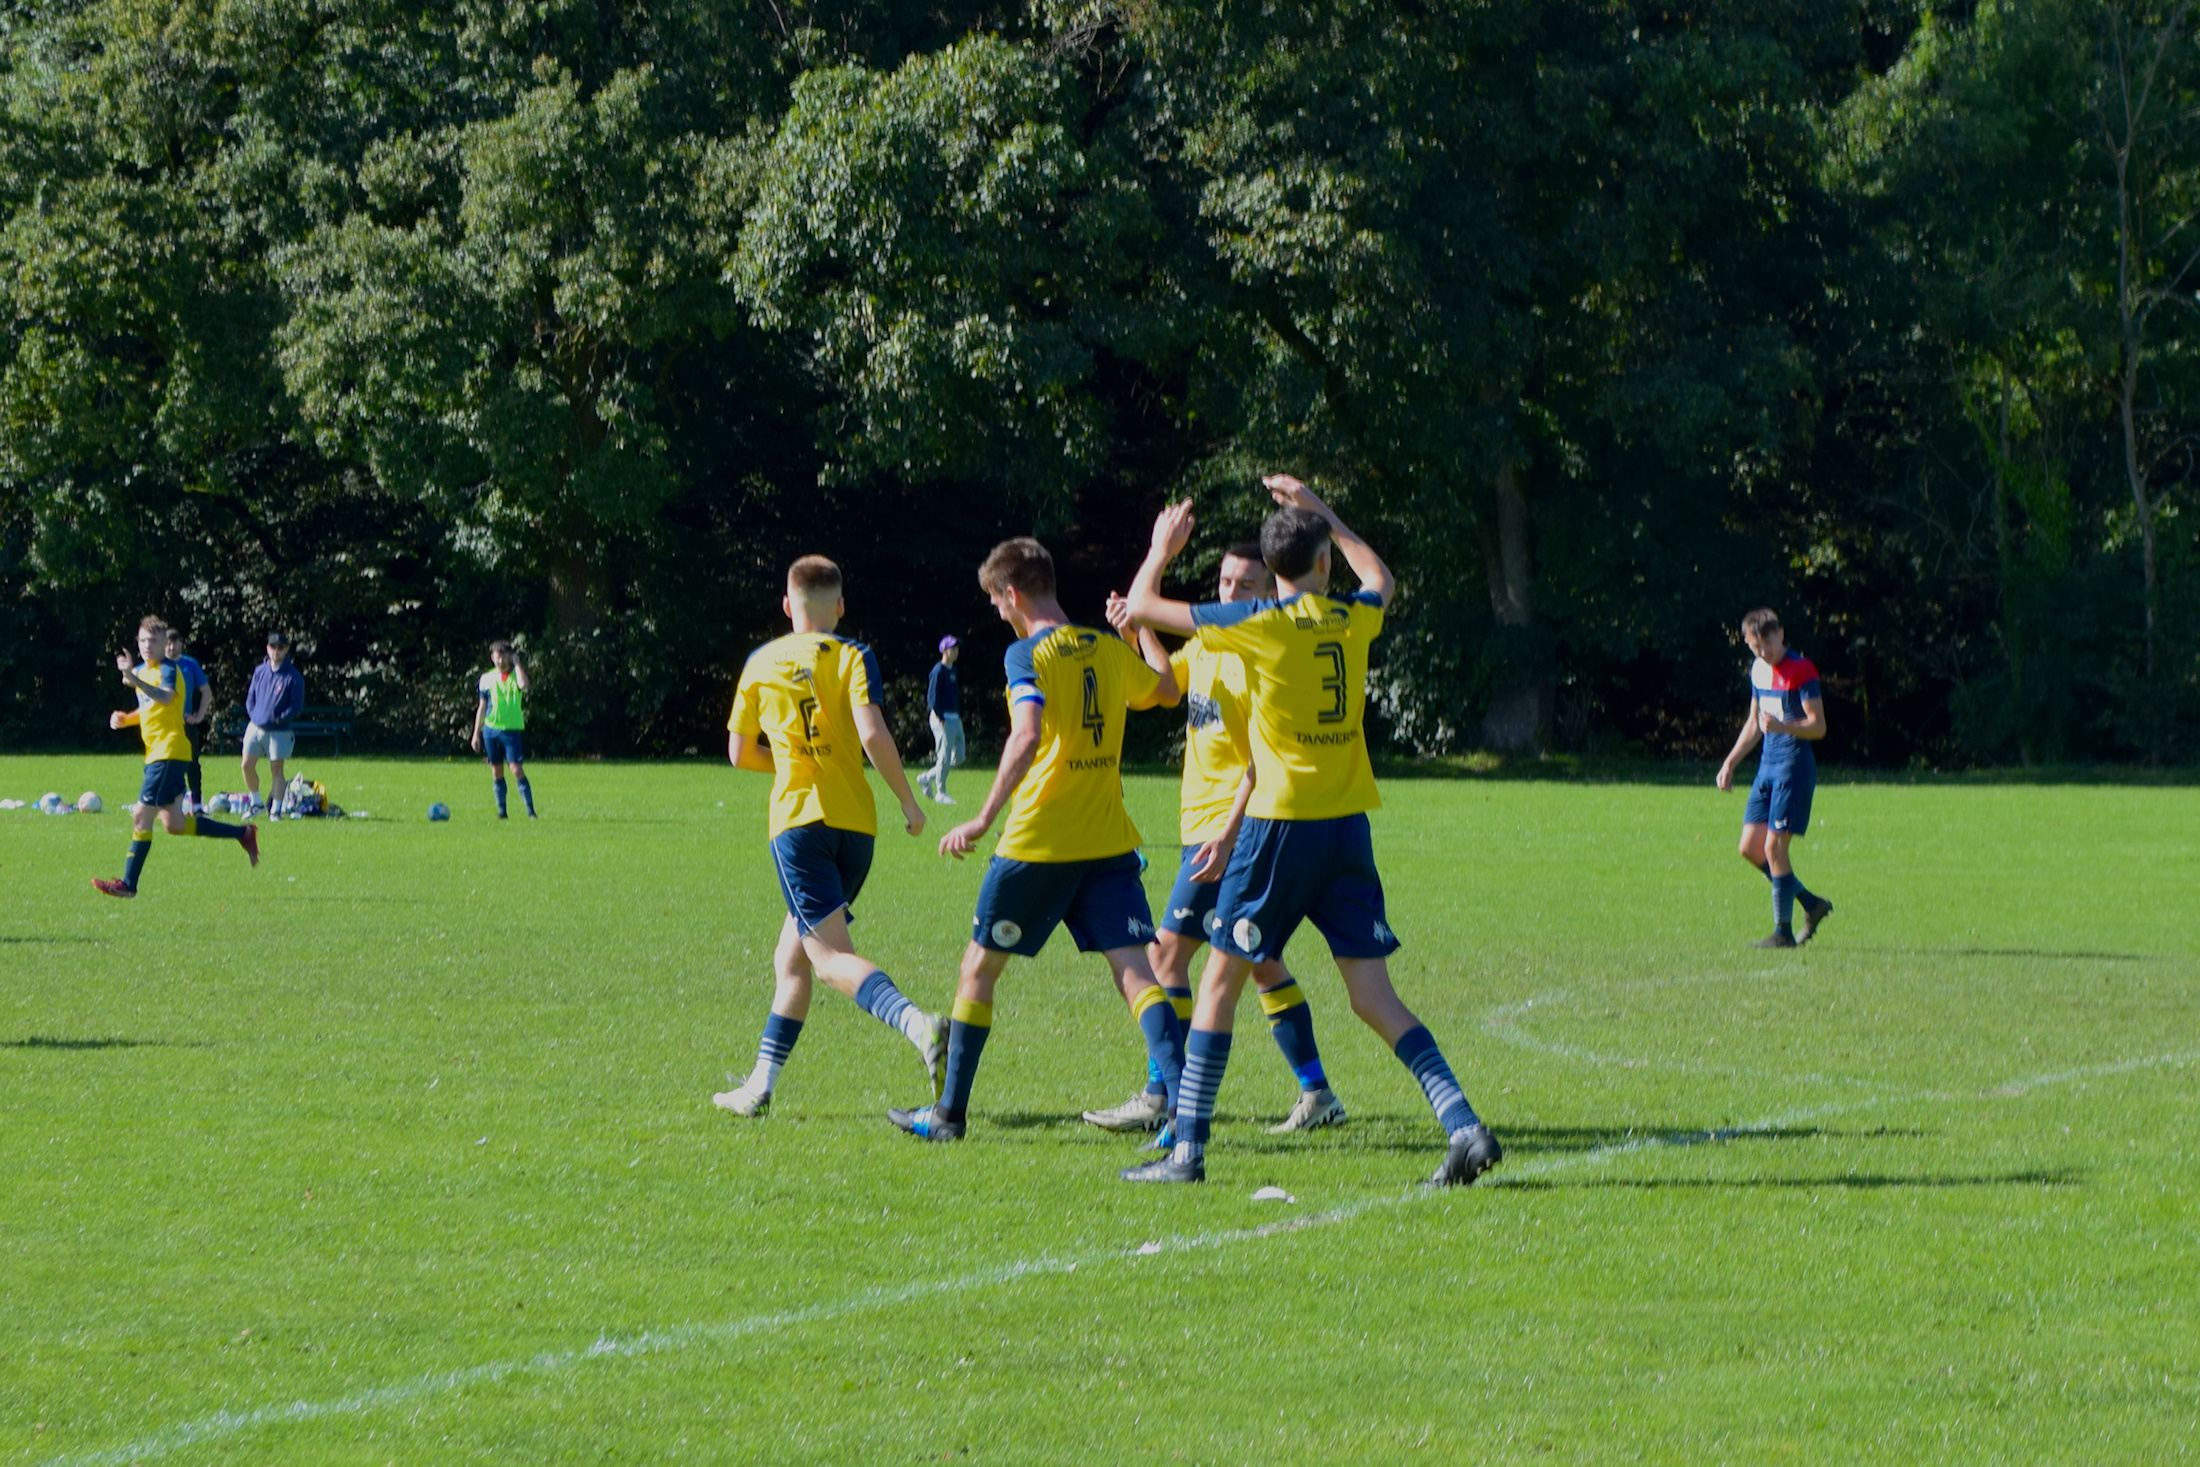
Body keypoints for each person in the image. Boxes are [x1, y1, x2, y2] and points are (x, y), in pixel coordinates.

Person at [1117, 479, 1501, 1187]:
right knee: (1372, 995)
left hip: (1278, 828)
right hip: (1346, 826)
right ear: (1324, 561)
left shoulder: (1260, 621)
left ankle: (1187, 1152)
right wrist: (1323, 507)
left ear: (1273, 565)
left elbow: (1141, 607)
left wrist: (1159, 549)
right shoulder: (1351, 617)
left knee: (1218, 985)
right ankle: (1464, 1126)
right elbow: (1381, 575)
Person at [887, 536, 1183, 1143]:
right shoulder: (1103, 646)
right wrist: (1137, 632)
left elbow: (1025, 737)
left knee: (978, 969)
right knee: (1134, 970)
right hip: (1106, 840)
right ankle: (1187, 1108)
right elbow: (1166, 691)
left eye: (995, 600)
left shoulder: (1027, 655)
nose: (996, 612)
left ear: (1011, 593)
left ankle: (947, 1116)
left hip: (1039, 842)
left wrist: (980, 818)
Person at [1082, 542, 1346, 1140]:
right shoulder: (1207, 644)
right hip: (1203, 826)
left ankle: (1164, 1091)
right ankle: (1317, 1090)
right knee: (1257, 960)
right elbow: (1164, 689)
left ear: (1267, 591)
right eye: (1225, 582)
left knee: (1165, 955)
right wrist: (1137, 631)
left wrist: (1228, 835)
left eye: (1245, 585)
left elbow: (1261, 762)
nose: (1230, 593)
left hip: (1231, 829)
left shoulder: (1255, 652)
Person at [716, 556, 946, 1117]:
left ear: (786, 604)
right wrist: (909, 802)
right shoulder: (853, 655)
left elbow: (739, 752)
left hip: (798, 823)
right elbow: (871, 732)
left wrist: (796, 763)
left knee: (827, 958)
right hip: (855, 826)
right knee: (790, 957)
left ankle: (919, 1024)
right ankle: (759, 1088)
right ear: (840, 606)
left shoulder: (761, 660)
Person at [94, 616, 259, 898]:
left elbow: (167, 697)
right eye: (143, 640)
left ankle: (128, 883)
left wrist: (132, 678)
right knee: (175, 824)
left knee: (140, 815)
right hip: (161, 754)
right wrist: (126, 718)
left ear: (164, 644)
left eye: (153, 641)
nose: (147, 645)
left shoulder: (168, 669)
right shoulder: (142, 672)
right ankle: (242, 833)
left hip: (167, 752)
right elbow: (150, 708)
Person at [1715, 608, 1832, 948]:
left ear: (1781, 633)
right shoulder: (1758, 671)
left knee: (1774, 847)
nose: (1764, 652)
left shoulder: (1801, 670)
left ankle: (1782, 932)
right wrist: (1731, 762)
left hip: (1794, 768)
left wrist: (1782, 727)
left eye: (1768, 643)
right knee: (1750, 848)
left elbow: (1819, 726)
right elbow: (1754, 723)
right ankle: (1812, 903)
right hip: (1767, 767)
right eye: (1756, 647)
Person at [240, 633, 305, 817]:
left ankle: (276, 810)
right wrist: (254, 715)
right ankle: (256, 803)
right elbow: (250, 697)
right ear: (267, 649)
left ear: (286, 650)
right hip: (255, 727)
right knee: (246, 765)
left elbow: (296, 706)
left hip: (279, 731)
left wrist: (278, 719)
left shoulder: (294, 677)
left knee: (276, 769)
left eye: (280, 647)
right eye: (273, 647)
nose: (276, 651)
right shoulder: (260, 671)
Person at [470, 641, 536, 819]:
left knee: (516, 769)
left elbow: (523, 685)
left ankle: (530, 811)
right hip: (491, 731)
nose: (501, 660)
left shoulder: (516, 674)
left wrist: (517, 663)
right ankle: (502, 811)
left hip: (510, 730)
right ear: (492, 658)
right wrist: (476, 733)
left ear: (510, 657)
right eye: (498, 657)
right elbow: (482, 707)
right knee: (496, 771)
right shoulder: (486, 678)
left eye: (504, 656)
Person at [164, 628, 214, 813]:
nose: (171, 646)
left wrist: (199, 716)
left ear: (181, 644)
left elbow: (206, 691)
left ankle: (197, 804)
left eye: (175, 642)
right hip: (165, 724)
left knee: (192, 763)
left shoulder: (190, 664)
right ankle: (168, 804)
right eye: (168, 643)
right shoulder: (157, 665)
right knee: (166, 764)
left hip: (186, 724)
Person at [915, 636, 964, 805]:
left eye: (957, 648)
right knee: (943, 756)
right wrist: (940, 716)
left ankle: (926, 777)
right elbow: (932, 697)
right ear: (944, 651)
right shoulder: (938, 671)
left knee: (959, 756)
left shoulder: (953, 670)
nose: (956, 652)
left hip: (955, 717)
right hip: (942, 719)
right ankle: (941, 793)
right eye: (952, 648)